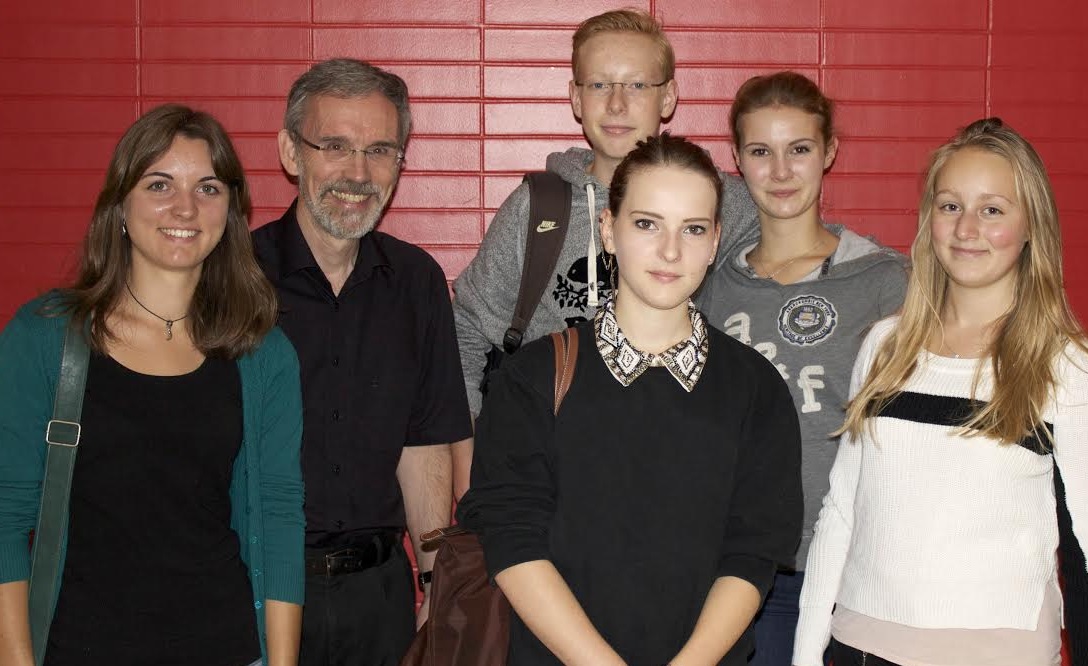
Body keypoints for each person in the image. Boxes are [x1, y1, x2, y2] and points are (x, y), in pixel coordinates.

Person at [457, 133, 804, 666]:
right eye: (647, 224)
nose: (670, 251)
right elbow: (512, 540)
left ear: (715, 242)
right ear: (608, 230)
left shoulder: (756, 388)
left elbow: (753, 551)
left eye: (693, 229)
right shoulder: (532, 379)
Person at [0, 104, 305, 666]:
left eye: (208, 188)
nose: (185, 207)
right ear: (120, 203)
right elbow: (6, 516)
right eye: (159, 184)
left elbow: (280, 516)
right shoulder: (44, 338)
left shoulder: (263, 354)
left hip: (226, 648)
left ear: (231, 211)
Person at [792, 118, 1088, 666]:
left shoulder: (1065, 364)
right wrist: (807, 654)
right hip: (861, 646)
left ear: (1031, 226)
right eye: (950, 206)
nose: (966, 228)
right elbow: (842, 511)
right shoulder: (885, 346)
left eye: (992, 210)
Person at [451, 9, 758, 495]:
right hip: (549, 482)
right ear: (576, 98)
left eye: (636, 85)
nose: (616, 104)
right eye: (598, 85)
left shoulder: (719, 201)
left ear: (668, 96)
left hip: (682, 478)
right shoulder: (537, 208)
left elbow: (796, 255)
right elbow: (466, 333)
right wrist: (475, 480)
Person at [251, 59, 473, 666]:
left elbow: (424, 444)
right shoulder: (234, 278)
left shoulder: (417, 281)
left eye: (379, 150)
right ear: (291, 153)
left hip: (380, 598)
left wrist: (433, 581)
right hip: (254, 587)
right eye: (335, 146)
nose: (357, 173)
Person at [694, 71, 907, 665]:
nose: (781, 171)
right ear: (737, 159)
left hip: (855, 573)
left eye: (800, 149)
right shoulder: (709, 290)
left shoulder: (886, 282)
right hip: (744, 573)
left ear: (829, 152)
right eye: (761, 151)